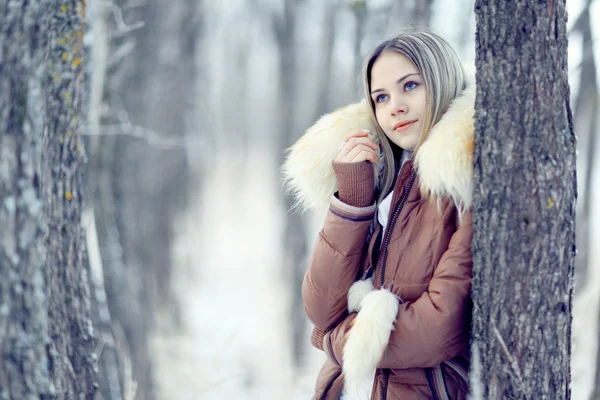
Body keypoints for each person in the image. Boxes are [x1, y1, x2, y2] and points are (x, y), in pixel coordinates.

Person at [282, 30, 475, 400]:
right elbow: (322, 307)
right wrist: (353, 201)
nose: (395, 107)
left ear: (441, 78)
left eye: (410, 86)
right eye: (381, 97)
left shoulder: (461, 184)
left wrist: (335, 341)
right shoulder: (383, 177)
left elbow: (435, 330)